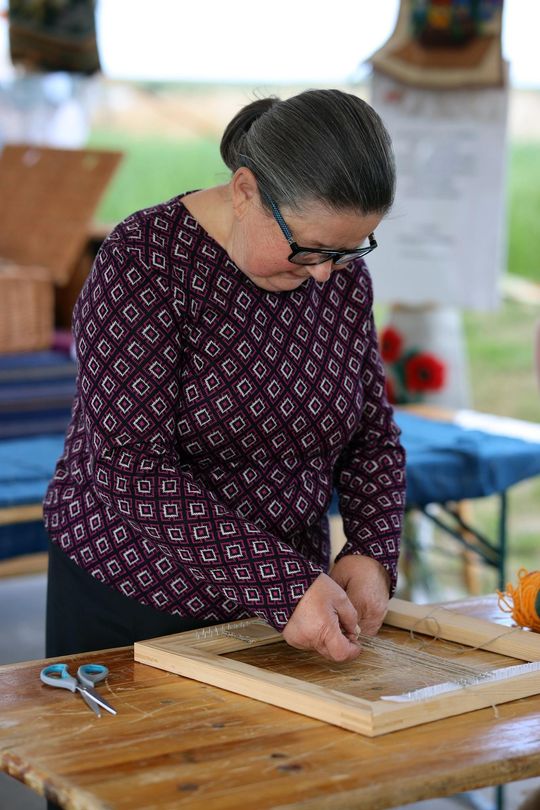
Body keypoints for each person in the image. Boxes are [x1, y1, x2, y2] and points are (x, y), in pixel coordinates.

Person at [43, 88, 406, 665]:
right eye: (310, 250)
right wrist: (284, 585)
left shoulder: (337, 277)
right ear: (245, 191)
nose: (324, 276)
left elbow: (371, 434)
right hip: (138, 595)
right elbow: (134, 468)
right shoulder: (144, 262)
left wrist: (371, 551)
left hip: (290, 605)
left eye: (348, 251)